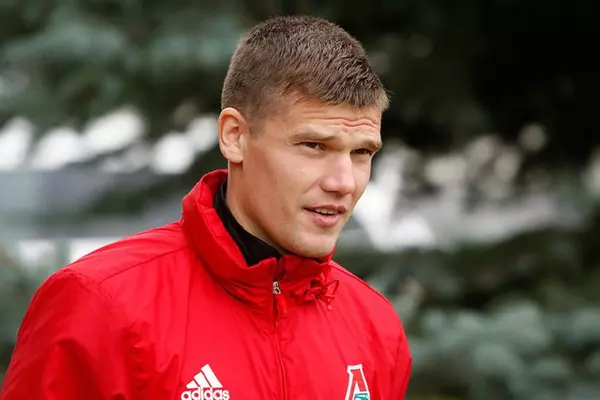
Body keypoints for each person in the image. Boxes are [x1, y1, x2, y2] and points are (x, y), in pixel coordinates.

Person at [0, 15, 412, 400]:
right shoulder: (99, 303)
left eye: (361, 152)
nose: (343, 182)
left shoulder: (376, 327)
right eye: (314, 146)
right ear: (235, 136)